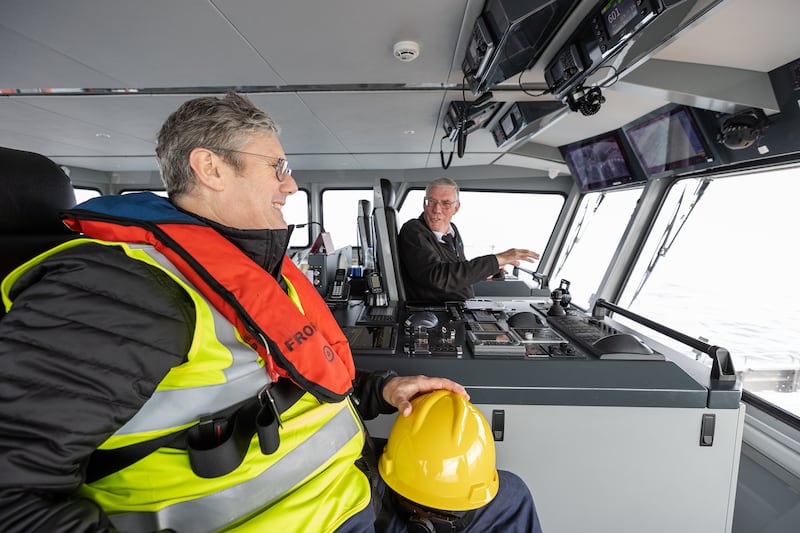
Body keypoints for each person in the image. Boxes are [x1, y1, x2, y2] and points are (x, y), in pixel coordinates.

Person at [0, 93, 541, 532]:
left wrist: (380, 390)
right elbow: (12, 494)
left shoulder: (254, 271)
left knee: (508, 493)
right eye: (278, 166)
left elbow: (291, 376)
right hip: (292, 515)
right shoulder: (113, 290)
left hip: (347, 483)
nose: (291, 184)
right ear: (209, 167)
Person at [398, 177, 540, 303]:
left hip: (460, 308)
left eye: (446, 203)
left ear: (456, 207)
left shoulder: (452, 231)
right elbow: (438, 277)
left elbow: (457, 271)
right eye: (432, 202)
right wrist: (496, 260)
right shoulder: (414, 231)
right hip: (436, 313)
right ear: (424, 203)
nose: (437, 209)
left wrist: (484, 273)